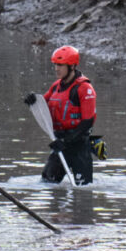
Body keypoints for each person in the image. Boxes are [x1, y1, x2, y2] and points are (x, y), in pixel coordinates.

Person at [23, 45, 97, 185]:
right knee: (47, 182)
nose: (56, 68)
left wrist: (66, 141)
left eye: (61, 65)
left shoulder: (84, 89)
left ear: (72, 66)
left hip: (78, 145)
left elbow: (88, 121)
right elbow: (42, 105)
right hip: (60, 143)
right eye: (55, 64)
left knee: (83, 188)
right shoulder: (56, 86)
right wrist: (32, 100)